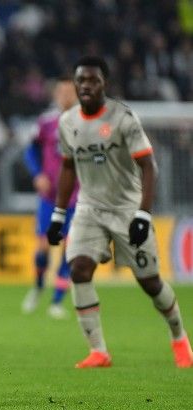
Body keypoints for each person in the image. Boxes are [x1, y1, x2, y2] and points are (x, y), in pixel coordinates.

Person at [48, 56, 192, 368]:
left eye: (93, 80)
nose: (86, 86)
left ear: (104, 84)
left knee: (150, 282)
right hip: (89, 209)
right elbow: (68, 169)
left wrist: (143, 214)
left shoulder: (123, 118)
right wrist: (59, 214)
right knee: (79, 269)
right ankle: (98, 351)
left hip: (127, 209)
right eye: (81, 81)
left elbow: (148, 166)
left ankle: (179, 337)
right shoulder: (67, 123)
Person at [21, 76, 79, 319]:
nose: (65, 96)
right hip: (49, 196)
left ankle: (57, 301)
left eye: (70, 92)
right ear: (56, 95)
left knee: (69, 248)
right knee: (43, 246)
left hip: (76, 197)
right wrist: (37, 174)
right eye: (62, 91)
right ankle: (37, 286)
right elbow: (30, 150)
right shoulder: (46, 122)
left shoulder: (86, 122)